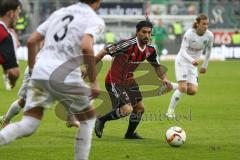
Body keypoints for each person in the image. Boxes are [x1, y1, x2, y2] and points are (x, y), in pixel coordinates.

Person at [0, 1, 105, 160]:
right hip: (64, 74)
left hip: (40, 71)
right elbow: (86, 46)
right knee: (88, 118)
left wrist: (34, 69)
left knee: (29, 124)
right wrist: (94, 82)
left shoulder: (60, 13)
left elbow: (31, 41)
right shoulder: (94, 19)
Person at [92, 19, 172, 139]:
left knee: (139, 109)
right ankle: (101, 119)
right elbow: (105, 51)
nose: (147, 35)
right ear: (137, 32)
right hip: (114, 80)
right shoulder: (127, 45)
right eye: (144, 32)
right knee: (127, 109)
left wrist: (165, 78)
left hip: (129, 80)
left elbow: (157, 66)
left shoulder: (150, 49)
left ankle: (130, 134)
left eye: (149, 33)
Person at [166, 14, 214, 118]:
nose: (206, 26)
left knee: (192, 91)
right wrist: (192, 60)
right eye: (203, 24)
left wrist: (205, 65)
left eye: (207, 24)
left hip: (193, 64)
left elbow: (209, 50)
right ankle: (170, 111)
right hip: (182, 61)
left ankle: (172, 85)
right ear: (197, 24)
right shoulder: (189, 34)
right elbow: (182, 51)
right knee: (183, 88)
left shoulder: (209, 35)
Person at [0, 0, 21, 89]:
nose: (19, 18)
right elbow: (13, 72)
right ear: (11, 13)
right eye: (18, 14)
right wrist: (12, 83)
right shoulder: (4, 35)